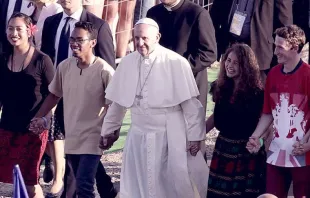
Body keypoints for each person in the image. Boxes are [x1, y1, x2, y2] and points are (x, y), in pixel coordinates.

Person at [100, 18, 209, 198]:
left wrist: (195, 138)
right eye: (136, 38)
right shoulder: (127, 63)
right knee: (138, 182)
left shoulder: (176, 62)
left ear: (157, 37)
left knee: (169, 184)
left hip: (168, 133)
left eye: (144, 38)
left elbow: (191, 106)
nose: (139, 43)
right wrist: (107, 130)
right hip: (138, 134)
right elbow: (118, 103)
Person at [30, 21, 115, 198]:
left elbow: (113, 105)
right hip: (72, 135)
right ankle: (111, 193)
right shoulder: (64, 67)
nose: (74, 43)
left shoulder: (104, 71)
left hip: (94, 137)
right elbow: (54, 95)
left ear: (92, 42)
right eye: (72, 39)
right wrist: (39, 118)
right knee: (84, 176)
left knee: (84, 185)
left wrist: (110, 132)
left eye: (79, 39)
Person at [247, 25, 310, 198]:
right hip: (276, 152)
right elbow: (268, 112)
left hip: (302, 153)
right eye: (275, 45)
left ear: (295, 48)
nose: (275, 51)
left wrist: (308, 144)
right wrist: (256, 136)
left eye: (280, 47)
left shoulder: (308, 75)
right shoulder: (273, 74)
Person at [0, 13, 54, 197]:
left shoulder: (42, 60)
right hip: (6, 126)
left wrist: (44, 118)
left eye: (18, 29)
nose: (13, 33)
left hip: (33, 129)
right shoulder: (3, 58)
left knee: (29, 182)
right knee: (8, 177)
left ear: (30, 31)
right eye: (10, 28)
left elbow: (54, 94)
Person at [205, 44, 266, 198]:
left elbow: (265, 120)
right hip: (223, 147)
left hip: (244, 152)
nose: (229, 65)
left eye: (235, 63)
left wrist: (259, 141)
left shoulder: (256, 93)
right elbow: (215, 117)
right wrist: (195, 135)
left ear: (245, 66)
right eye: (228, 60)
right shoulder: (220, 87)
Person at [147, 0, 217, 111]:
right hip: (160, 85)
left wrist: (178, 67)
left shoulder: (197, 13)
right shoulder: (153, 13)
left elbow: (208, 53)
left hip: (190, 85)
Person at [210, 0, 292, 82]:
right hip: (230, 46)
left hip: (260, 52)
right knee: (229, 89)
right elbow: (215, 12)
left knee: (257, 91)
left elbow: (284, 23)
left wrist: (281, 56)